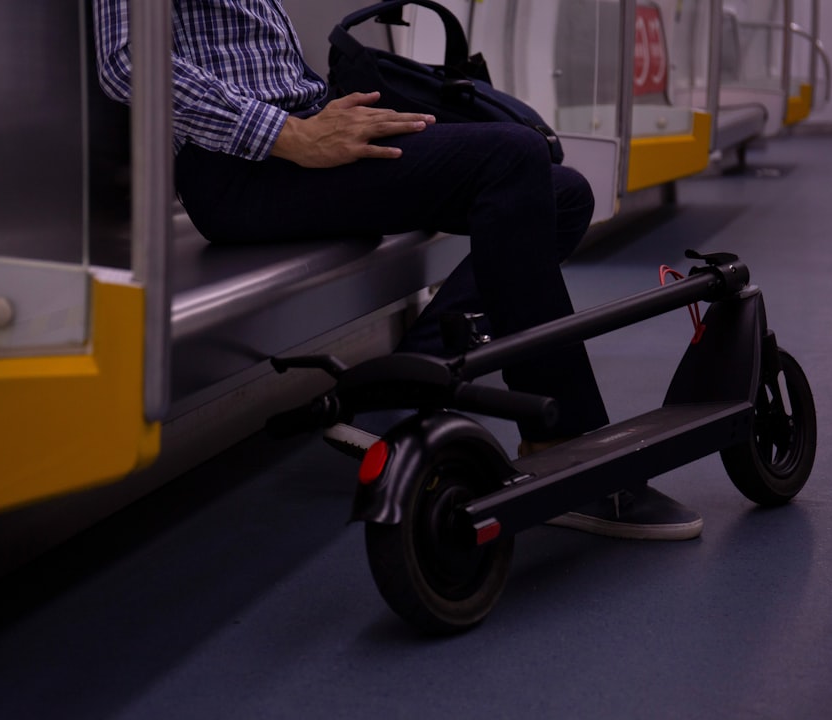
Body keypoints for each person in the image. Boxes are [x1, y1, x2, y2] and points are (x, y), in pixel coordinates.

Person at [92, 0, 701, 540]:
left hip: (303, 131)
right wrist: (291, 133)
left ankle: (400, 386)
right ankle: (565, 449)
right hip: (245, 165)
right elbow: (126, 62)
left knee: (562, 193)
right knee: (513, 156)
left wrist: (325, 114)